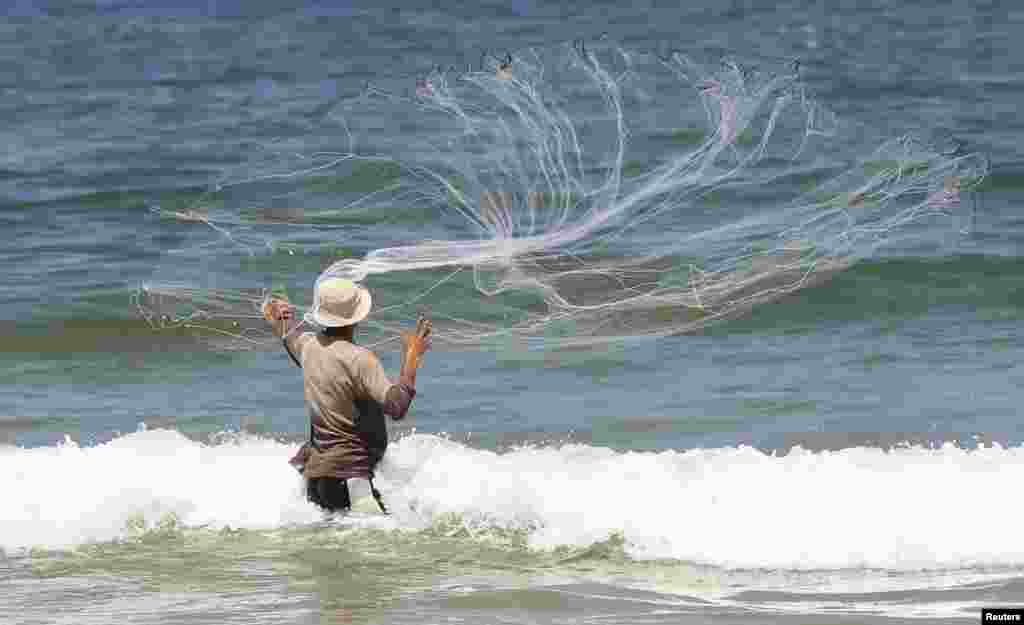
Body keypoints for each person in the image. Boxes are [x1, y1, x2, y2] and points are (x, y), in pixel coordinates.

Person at [262, 277, 432, 513]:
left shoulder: (308, 346)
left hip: (316, 480)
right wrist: (412, 356)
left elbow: (290, 336)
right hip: (352, 483)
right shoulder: (360, 359)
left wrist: (282, 318)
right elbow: (396, 406)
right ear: (357, 317)